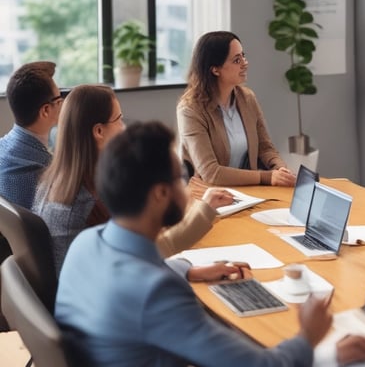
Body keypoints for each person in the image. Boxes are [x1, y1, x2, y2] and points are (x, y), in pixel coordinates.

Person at [55, 121, 365, 367]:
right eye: (180, 178)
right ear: (159, 194)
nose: (187, 187)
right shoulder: (156, 292)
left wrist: (186, 270)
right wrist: (309, 336)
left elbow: (137, 282)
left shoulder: (86, 246)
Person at [33, 84, 234, 274]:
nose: (123, 128)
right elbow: (142, 256)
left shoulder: (53, 182)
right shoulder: (88, 206)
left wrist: (187, 272)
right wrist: (204, 210)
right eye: (119, 119)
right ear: (99, 131)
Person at [177, 31, 296, 187]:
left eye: (243, 56)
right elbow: (211, 173)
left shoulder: (247, 98)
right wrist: (267, 177)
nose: (245, 63)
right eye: (236, 60)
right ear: (215, 70)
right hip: (209, 193)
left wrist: (280, 169)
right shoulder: (190, 110)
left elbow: (265, 148)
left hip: (247, 191)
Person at [0, 61, 62, 208]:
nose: (62, 104)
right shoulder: (46, 170)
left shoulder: (3, 146)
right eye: (59, 100)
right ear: (45, 110)